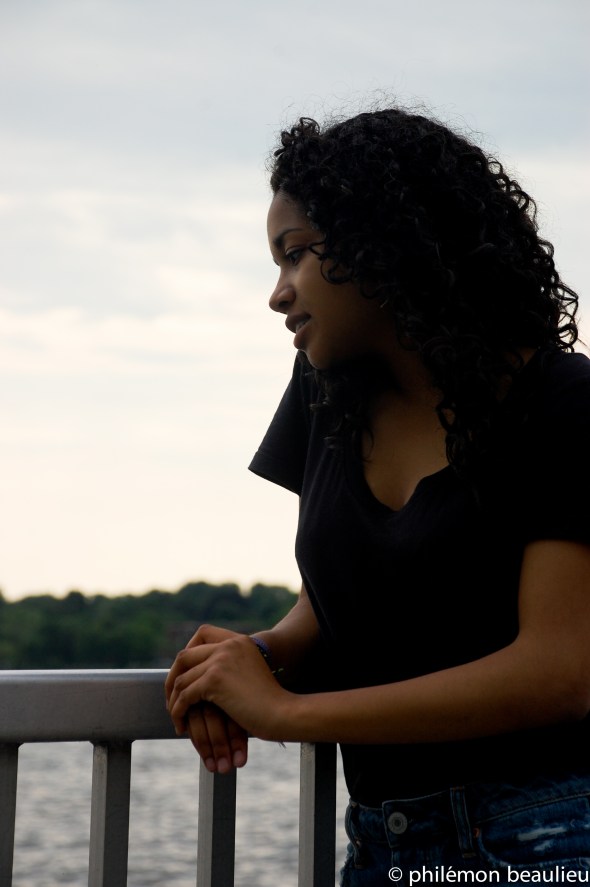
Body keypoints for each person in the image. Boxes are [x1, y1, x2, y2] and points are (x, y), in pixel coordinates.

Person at [165, 105, 590, 884]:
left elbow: (559, 672)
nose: (278, 294)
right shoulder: (326, 394)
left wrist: (287, 713)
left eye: (295, 254)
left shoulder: (564, 402)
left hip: (549, 837)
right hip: (381, 844)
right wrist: (258, 652)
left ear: (382, 242)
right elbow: (340, 596)